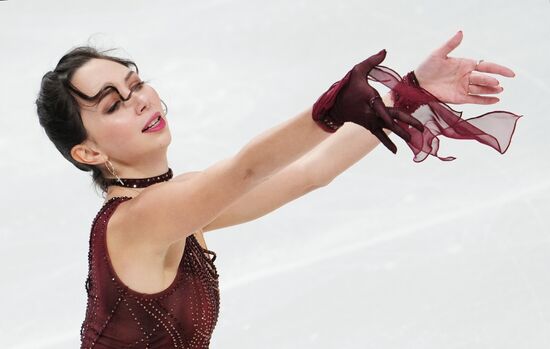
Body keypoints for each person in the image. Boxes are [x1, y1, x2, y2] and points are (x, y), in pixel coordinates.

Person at [35, 30, 520, 349]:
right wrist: (329, 109)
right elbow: (245, 170)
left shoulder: (179, 204)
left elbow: (314, 171)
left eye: (135, 84)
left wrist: (407, 92)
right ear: (89, 153)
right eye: (112, 104)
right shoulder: (140, 220)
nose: (138, 101)